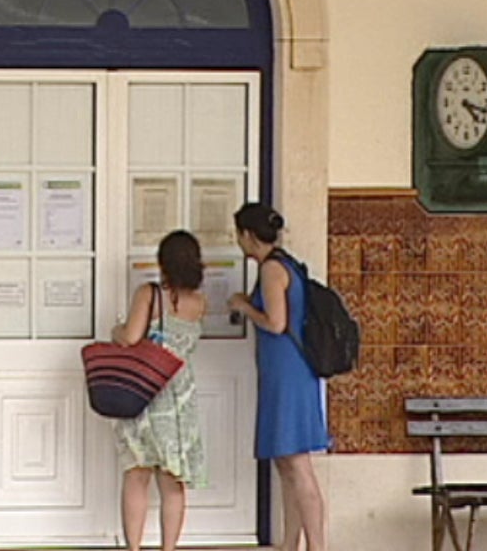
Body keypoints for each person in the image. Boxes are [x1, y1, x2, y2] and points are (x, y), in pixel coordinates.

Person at [227, 203, 329, 551]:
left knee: (298, 465)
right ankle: (290, 543)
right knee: (286, 462)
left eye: (239, 234)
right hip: (286, 373)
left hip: (289, 373)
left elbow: (276, 322)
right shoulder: (286, 263)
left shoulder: (272, 270)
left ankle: (316, 545)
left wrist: (244, 307)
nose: (237, 241)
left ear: (249, 235)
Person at [111, 230, 207, 551]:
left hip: (145, 392)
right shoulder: (198, 302)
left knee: (137, 474)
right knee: (172, 481)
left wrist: (116, 329)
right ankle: (169, 548)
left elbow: (131, 337)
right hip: (180, 398)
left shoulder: (149, 294)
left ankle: (134, 548)